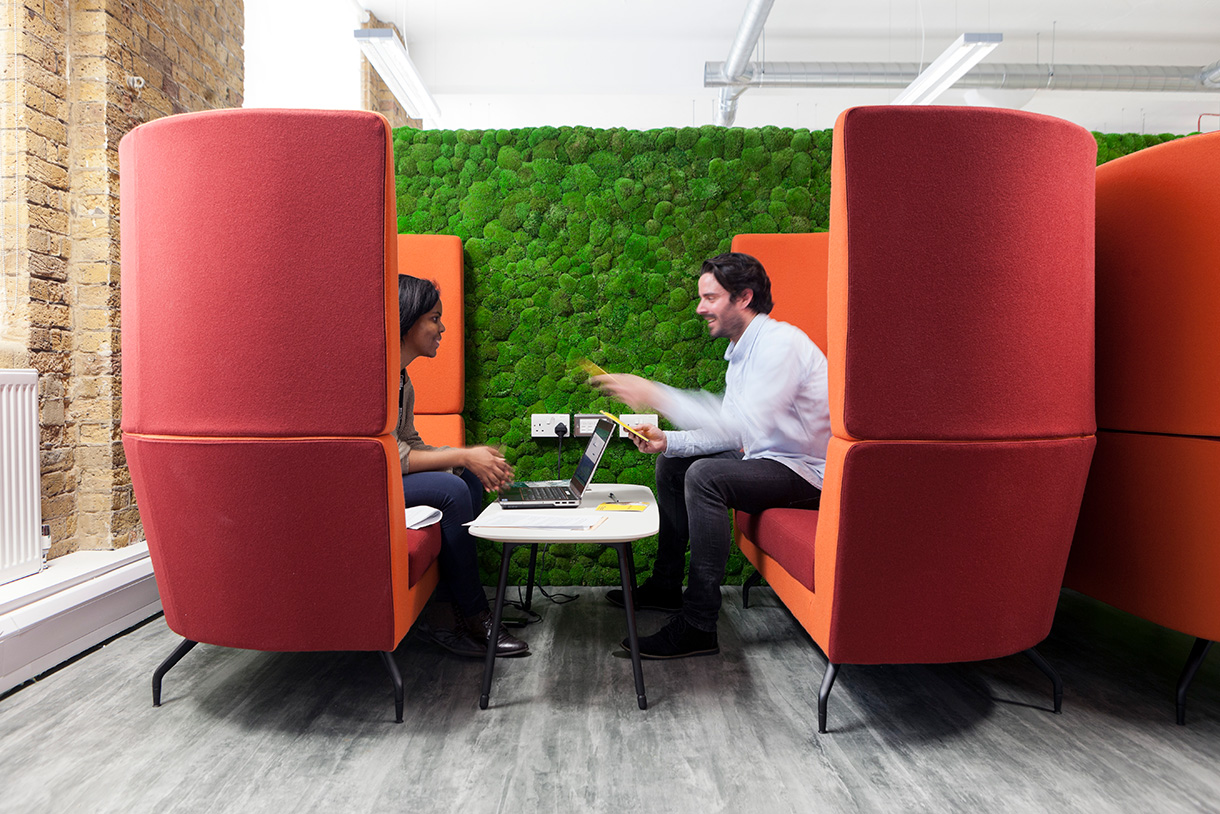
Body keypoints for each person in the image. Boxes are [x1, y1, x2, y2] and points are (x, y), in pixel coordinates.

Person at [593, 252, 830, 659]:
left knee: (705, 476)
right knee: (673, 463)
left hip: (807, 473)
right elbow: (736, 429)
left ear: (744, 297)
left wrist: (655, 395)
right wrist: (667, 442)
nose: (700, 308)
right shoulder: (741, 353)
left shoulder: (781, 346)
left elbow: (738, 427)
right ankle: (666, 586)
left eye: (710, 298)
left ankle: (699, 625)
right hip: (768, 460)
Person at [397, 274, 529, 658]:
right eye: (434, 318)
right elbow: (391, 455)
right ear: (408, 318)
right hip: (365, 485)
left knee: (464, 477)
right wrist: (462, 455)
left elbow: (410, 444)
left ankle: (443, 613)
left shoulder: (403, 379)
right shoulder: (377, 375)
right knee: (452, 490)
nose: (442, 328)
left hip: (387, 475)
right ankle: (475, 617)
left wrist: (469, 459)